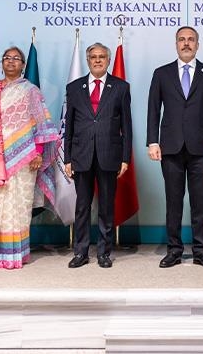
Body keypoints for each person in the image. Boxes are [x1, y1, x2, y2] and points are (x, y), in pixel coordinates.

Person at [0, 46, 58, 269]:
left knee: (17, 205)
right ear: (1, 63)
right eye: (7, 58)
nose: (11, 61)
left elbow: (41, 123)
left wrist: (37, 152)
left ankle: (13, 254)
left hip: (23, 157)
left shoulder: (31, 91)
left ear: (23, 65)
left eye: (16, 58)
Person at [147, 26, 203, 268]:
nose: (186, 43)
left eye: (191, 39)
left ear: (198, 45)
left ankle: (201, 251)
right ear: (176, 44)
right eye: (182, 39)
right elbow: (153, 109)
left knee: (200, 202)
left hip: (201, 148)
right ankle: (174, 251)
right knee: (173, 202)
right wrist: (152, 141)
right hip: (170, 147)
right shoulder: (161, 73)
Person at [63, 43, 132, 269]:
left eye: (102, 56)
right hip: (81, 155)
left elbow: (126, 126)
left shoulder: (121, 87)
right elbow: (69, 126)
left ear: (108, 60)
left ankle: (104, 252)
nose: (98, 60)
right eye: (93, 57)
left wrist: (125, 158)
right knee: (82, 207)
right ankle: (81, 252)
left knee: (106, 207)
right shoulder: (74, 88)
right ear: (88, 60)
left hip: (109, 154)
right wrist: (67, 158)